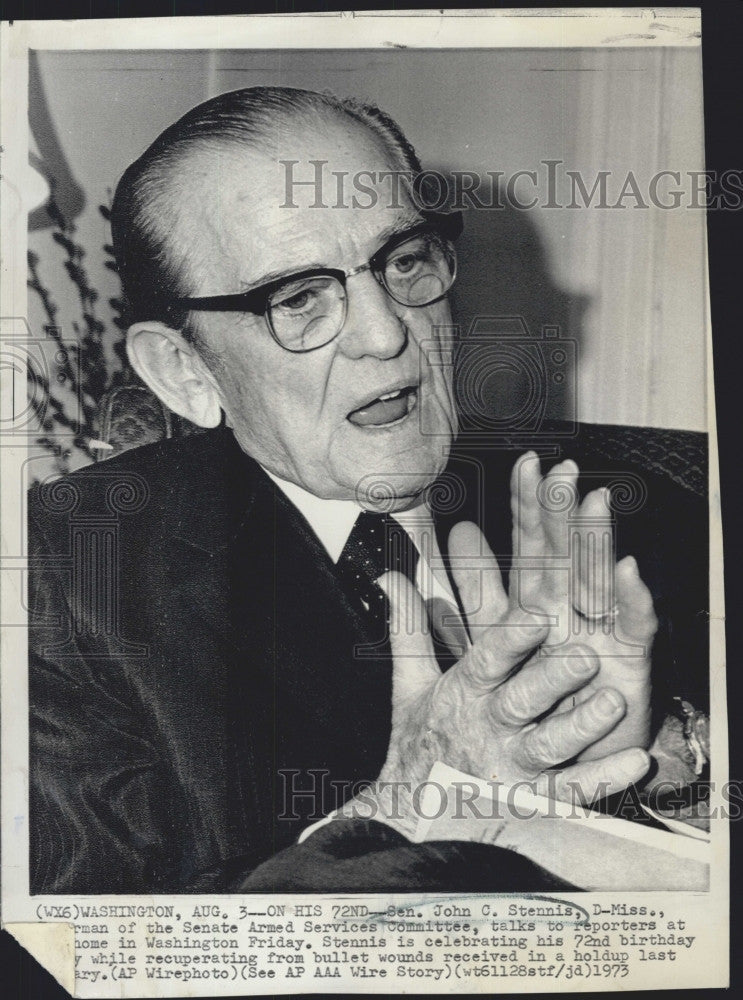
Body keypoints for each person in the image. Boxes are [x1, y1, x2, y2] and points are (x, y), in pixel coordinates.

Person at [28, 86, 707, 894]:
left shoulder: (654, 498)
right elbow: (72, 950)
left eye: (404, 260)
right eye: (297, 299)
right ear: (185, 371)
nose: (388, 333)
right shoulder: (67, 575)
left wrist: (664, 764)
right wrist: (401, 819)